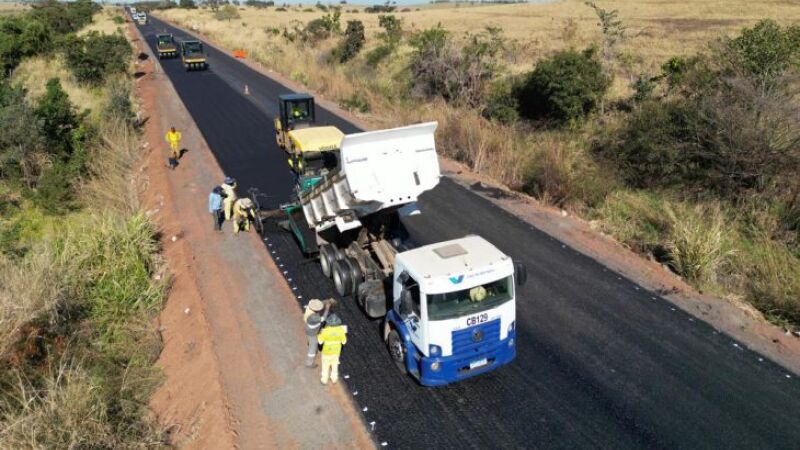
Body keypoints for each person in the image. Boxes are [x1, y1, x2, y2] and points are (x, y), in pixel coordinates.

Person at [318, 313, 347, 385]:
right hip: (336, 352)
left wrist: (320, 333)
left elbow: (320, 341)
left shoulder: (325, 331)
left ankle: (324, 379)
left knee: (325, 366)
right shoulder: (341, 330)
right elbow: (344, 342)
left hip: (326, 352)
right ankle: (334, 378)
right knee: (335, 365)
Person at [303, 298, 333, 367]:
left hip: (311, 329)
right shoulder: (313, 317)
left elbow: (320, 303)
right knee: (313, 347)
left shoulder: (309, 307)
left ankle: (310, 342)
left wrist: (327, 301)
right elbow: (323, 319)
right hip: (312, 332)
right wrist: (327, 309)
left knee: (313, 339)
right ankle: (309, 363)